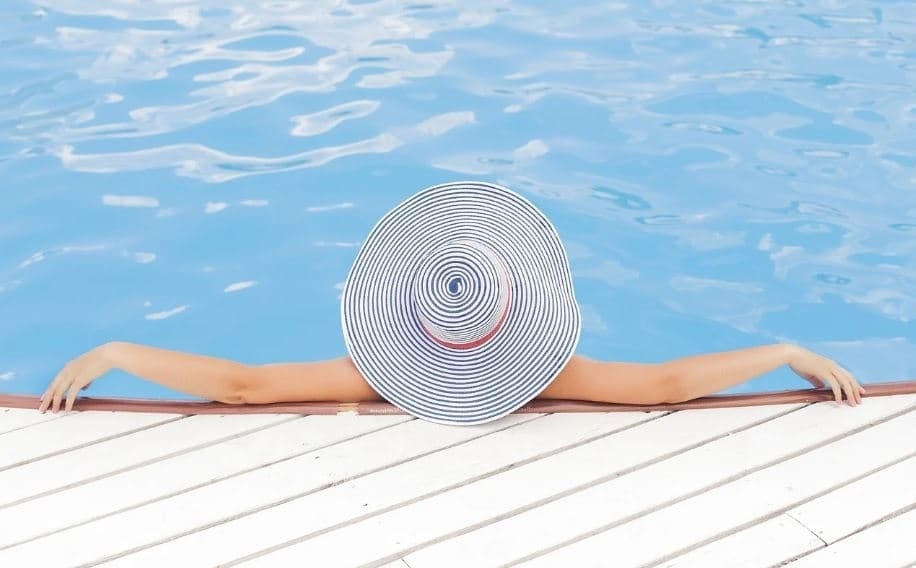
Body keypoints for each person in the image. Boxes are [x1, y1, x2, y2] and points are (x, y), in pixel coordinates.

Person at [38, 182, 865, 419]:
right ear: (520, 311)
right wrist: (783, 351)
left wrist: (117, 351)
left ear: (409, 318)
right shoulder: (550, 375)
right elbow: (664, 385)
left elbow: (241, 384)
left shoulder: (372, 377)